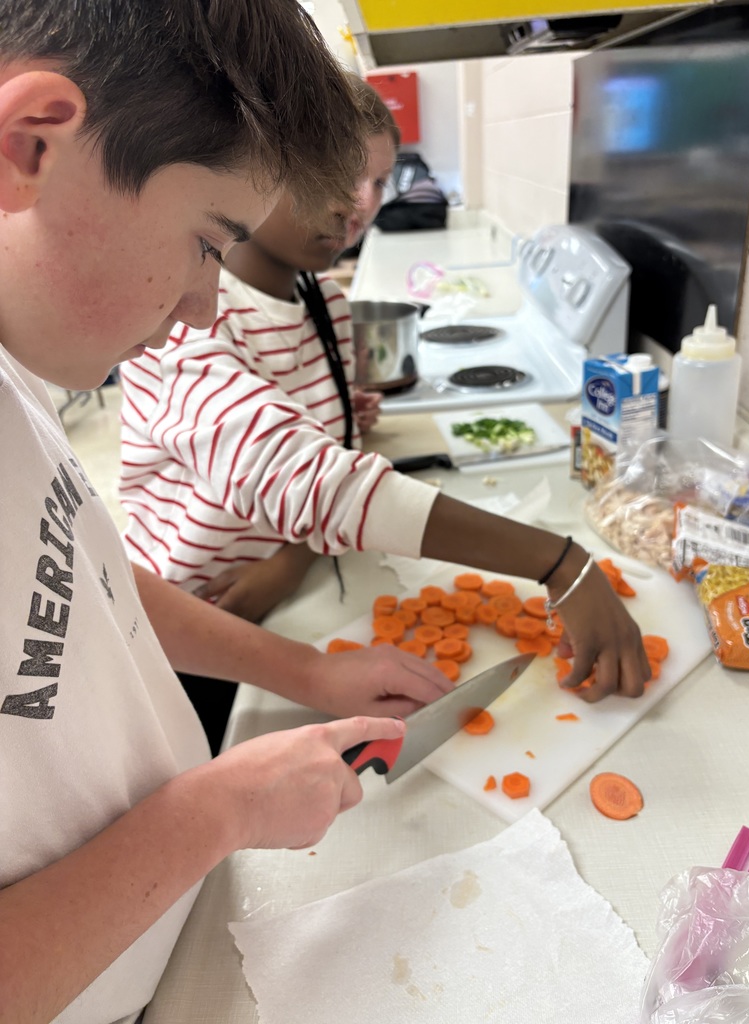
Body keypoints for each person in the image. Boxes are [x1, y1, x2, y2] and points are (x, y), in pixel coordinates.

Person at [0, 5, 455, 1023]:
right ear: (29, 145)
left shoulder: (16, 371)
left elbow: (87, 582)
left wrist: (307, 670)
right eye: (208, 242)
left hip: (177, 932)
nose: (209, 304)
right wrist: (218, 808)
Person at [119, 97, 652, 716]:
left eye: (378, 180)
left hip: (290, 581)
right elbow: (306, 478)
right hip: (196, 618)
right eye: (340, 172)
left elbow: (317, 446)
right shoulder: (184, 325)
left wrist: (296, 552)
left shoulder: (322, 297)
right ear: (261, 167)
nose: (363, 203)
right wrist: (561, 561)